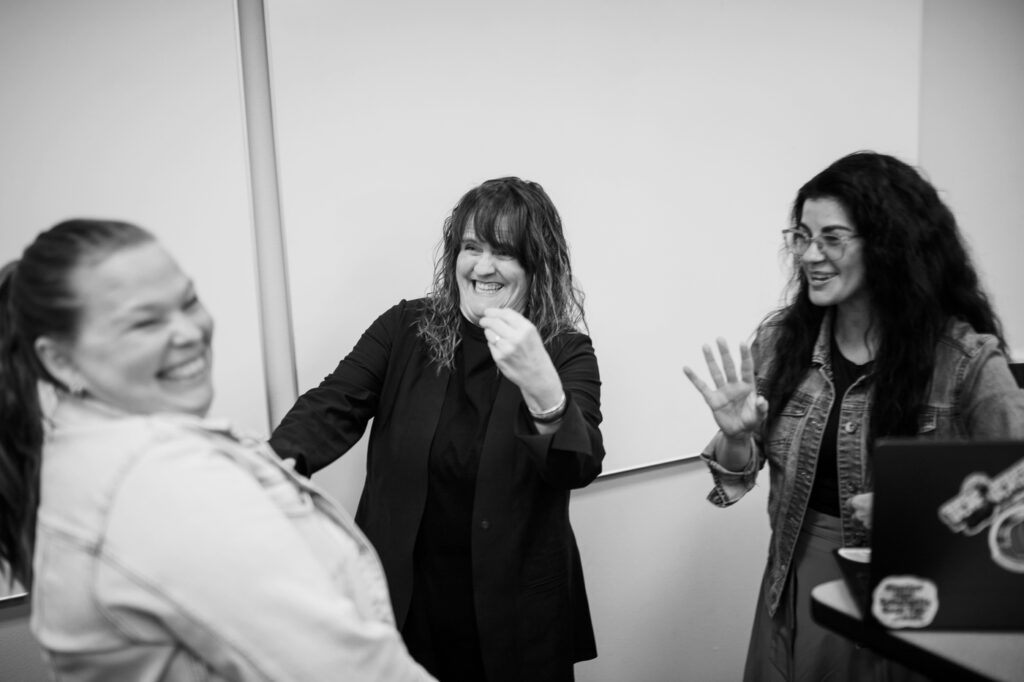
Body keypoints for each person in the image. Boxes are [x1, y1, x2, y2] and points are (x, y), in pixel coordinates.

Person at [0, 219, 433, 681]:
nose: (189, 332)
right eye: (145, 322)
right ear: (59, 360)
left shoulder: (80, 450)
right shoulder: (166, 486)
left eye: (188, 301)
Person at [683, 151, 1024, 682]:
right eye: (801, 236)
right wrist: (737, 437)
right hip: (793, 581)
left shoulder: (965, 361)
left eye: (832, 238)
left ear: (890, 245)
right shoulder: (782, 342)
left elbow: (1017, 493)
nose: (809, 255)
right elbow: (735, 475)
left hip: (913, 598)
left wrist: (919, 514)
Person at [270, 177, 604, 682]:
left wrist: (543, 388)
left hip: (515, 618)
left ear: (538, 264)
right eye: (472, 247)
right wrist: (266, 468)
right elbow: (331, 406)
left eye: (505, 252)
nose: (483, 267)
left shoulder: (563, 350)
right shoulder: (404, 328)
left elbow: (577, 466)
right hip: (405, 608)